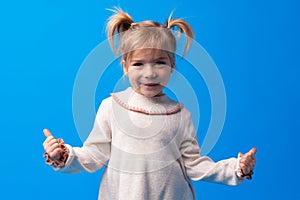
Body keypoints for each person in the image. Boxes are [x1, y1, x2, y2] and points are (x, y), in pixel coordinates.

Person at [42, 8, 257, 200]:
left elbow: (195, 165)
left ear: (172, 65)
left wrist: (235, 168)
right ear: (125, 67)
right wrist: (63, 154)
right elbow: (94, 155)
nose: (150, 72)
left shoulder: (181, 116)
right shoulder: (112, 107)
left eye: (159, 62)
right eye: (139, 63)